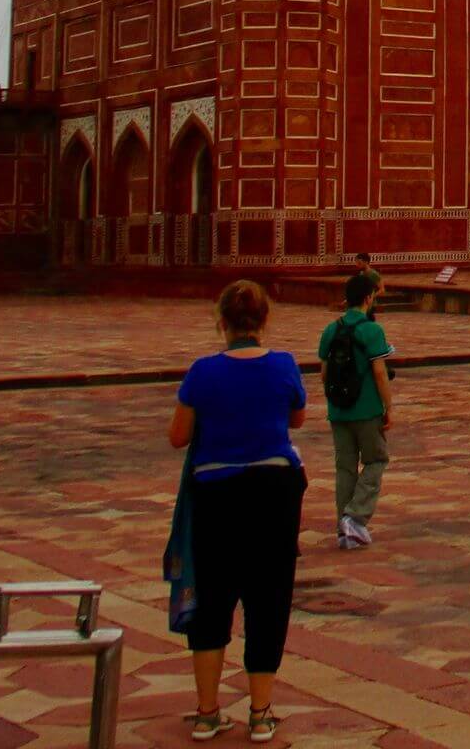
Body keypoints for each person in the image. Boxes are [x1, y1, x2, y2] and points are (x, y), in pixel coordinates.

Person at [169, 281, 308, 744]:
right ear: (264, 321)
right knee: (268, 598)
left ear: (221, 322)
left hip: (217, 494)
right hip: (274, 492)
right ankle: (262, 714)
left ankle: (208, 713)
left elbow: (178, 435)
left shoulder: (202, 373)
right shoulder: (283, 365)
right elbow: (296, 419)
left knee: (211, 599)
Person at [318, 272, 394, 551]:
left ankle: (345, 528)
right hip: (367, 409)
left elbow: (324, 374)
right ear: (367, 298)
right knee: (376, 460)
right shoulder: (372, 330)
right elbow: (379, 372)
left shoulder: (331, 329)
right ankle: (355, 517)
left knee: (345, 467)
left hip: (338, 411)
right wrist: (388, 406)